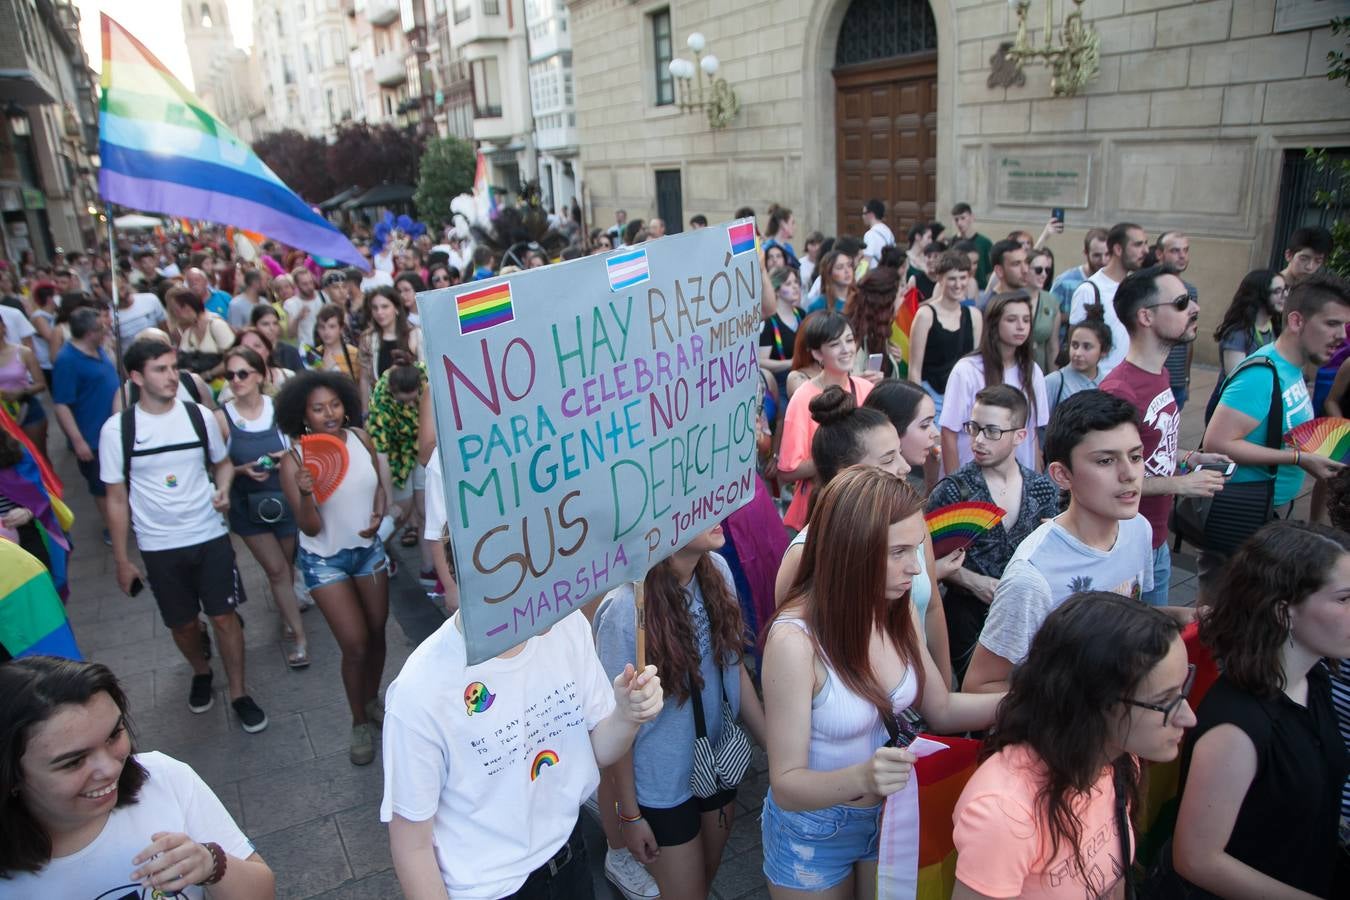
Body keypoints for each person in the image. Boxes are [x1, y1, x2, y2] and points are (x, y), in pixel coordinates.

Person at [760, 466, 1002, 898]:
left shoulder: (898, 607)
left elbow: (941, 709)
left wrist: (1033, 699)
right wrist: (865, 777)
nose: (916, 568)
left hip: (891, 814)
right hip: (814, 831)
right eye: (899, 552)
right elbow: (787, 784)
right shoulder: (794, 642)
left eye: (918, 548)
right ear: (851, 550)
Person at [381, 606, 664, 900]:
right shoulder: (419, 691)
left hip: (569, 855)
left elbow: (593, 750)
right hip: (489, 889)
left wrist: (626, 717)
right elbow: (412, 846)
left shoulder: (567, 623)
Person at [952, 593, 1196, 900]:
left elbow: (1114, 882)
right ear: (1096, 703)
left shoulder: (1119, 760)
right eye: (1165, 700)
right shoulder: (1005, 812)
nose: (1189, 717)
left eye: (1183, 689)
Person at [1158, 521, 1350, 899]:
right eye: (1344, 599)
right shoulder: (1237, 727)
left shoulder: (1314, 679)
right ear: (1284, 612)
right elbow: (1196, 859)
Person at [100, 338, 268, 733]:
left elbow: (222, 464)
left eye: (173, 367)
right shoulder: (118, 430)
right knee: (183, 625)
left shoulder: (199, 417)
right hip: (159, 546)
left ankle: (239, 693)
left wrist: (224, 487)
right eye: (160, 369)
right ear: (137, 377)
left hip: (209, 535)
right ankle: (201, 669)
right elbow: (116, 498)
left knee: (225, 617)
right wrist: (123, 561)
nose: (172, 376)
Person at [0, 657, 276, 897]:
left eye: (114, 735)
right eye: (74, 761)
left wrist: (212, 864)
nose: (110, 769)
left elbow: (262, 892)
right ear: (10, 775)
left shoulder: (162, 776)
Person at [596, 526, 767, 900]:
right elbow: (612, 725)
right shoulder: (625, 610)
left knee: (701, 885)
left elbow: (734, 665)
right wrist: (630, 815)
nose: (716, 512)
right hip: (660, 786)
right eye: (695, 501)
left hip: (717, 764)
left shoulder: (717, 570)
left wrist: (774, 745)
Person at [963, 390, 1164, 695]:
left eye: (1136, 456)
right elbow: (980, 686)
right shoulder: (1031, 578)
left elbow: (1134, 614)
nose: (1129, 474)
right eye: (1106, 460)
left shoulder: (1138, 528)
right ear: (1061, 474)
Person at [774, 386, 958, 684]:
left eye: (899, 452)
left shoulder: (912, 521)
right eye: (887, 460)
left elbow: (933, 606)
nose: (904, 467)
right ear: (845, 472)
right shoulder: (804, 553)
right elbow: (791, 646)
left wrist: (943, 682)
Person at [276, 371, 391, 765]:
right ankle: (358, 720)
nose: (329, 414)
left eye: (335, 404)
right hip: (324, 561)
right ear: (303, 415)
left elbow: (376, 485)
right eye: (318, 408)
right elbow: (308, 526)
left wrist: (379, 512)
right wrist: (308, 493)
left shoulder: (361, 438)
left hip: (368, 550)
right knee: (355, 645)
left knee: (377, 634)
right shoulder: (294, 461)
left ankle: (372, 700)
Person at [1101, 265, 1230, 606]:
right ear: (1145, 316)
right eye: (1181, 302)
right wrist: (1180, 484)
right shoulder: (1120, 390)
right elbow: (1105, 480)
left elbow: (1148, 444)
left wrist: (1188, 457)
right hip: (1126, 546)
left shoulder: (1157, 374)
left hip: (1157, 540)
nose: (1195, 308)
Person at [1203, 271, 1350, 556]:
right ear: (1296, 321)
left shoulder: (1292, 368)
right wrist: (1299, 458)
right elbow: (1216, 444)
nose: (1341, 337)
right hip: (1241, 513)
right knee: (1223, 599)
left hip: (1269, 509)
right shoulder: (1262, 373)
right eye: (1332, 324)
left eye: (1346, 326)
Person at [927, 385, 1060, 684]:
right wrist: (974, 582)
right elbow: (925, 561)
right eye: (974, 428)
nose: (978, 440)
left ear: (1020, 436)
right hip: (964, 619)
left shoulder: (1043, 490)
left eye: (992, 431)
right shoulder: (952, 491)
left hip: (1026, 618)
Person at [215, 346, 308, 669]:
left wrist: (285, 458)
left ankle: (288, 613)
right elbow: (218, 464)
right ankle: (299, 636)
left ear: (259, 375)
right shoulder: (222, 418)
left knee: (288, 562)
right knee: (277, 570)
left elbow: (300, 447)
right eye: (230, 375)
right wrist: (241, 471)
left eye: (243, 373)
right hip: (247, 508)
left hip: (284, 501)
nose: (236, 380)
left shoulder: (278, 408)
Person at [776, 311, 876, 532]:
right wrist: (840, 456)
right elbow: (787, 470)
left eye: (849, 340)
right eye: (835, 344)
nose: (846, 349)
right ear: (817, 354)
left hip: (864, 504)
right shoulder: (803, 397)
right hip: (820, 511)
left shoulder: (866, 389)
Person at [938, 290, 1048, 475]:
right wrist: (955, 487)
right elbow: (949, 433)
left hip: (1019, 479)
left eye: (1026, 320)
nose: (1021, 326)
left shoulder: (1033, 371)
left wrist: (1036, 483)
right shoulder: (967, 370)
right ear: (994, 323)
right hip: (973, 479)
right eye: (1012, 319)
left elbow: (1032, 433)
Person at [50, 308, 120, 540]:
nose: (106, 330)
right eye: (102, 328)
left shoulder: (98, 349)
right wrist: (78, 441)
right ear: (90, 333)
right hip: (92, 437)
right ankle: (112, 528)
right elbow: (61, 405)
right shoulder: (67, 360)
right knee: (101, 487)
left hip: (113, 429)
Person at [909, 249, 982, 427]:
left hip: (965, 398)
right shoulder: (925, 315)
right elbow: (914, 370)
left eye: (963, 278)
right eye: (952, 278)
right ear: (940, 279)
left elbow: (976, 365)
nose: (958, 284)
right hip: (932, 397)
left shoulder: (974, 315)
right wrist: (922, 413)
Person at [1203, 269, 1285, 422]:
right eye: (1277, 291)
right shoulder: (1238, 333)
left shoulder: (1275, 326)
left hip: (1259, 406)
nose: (1284, 296)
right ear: (1260, 295)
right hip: (1231, 411)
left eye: (1285, 290)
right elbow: (1238, 380)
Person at [1069, 222, 1148, 375]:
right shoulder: (1089, 290)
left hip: (1128, 382)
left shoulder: (1135, 287)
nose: (1145, 251)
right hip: (1100, 386)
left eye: (1145, 244)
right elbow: (1076, 346)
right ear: (1118, 249)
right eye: (1138, 245)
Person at [1044, 303, 1111, 422]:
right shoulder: (1054, 382)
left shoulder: (1108, 384)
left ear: (1104, 351)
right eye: (1074, 345)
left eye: (1087, 347)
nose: (1078, 353)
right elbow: (1041, 426)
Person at [360, 286, 424, 404]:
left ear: (396, 308)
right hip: (381, 407)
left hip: (413, 407)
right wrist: (365, 413)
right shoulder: (368, 338)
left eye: (385, 307)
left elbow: (425, 374)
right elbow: (364, 378)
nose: (379, 312)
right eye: (375, 308)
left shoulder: (415, 334)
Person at [1154, 231, 1196, 409]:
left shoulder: (1190, 290)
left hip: (1177, 380)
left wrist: (1186, 377)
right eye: (1175, 251)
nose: (1182, 256)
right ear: (1159, 254)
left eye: (1185, 250)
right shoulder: (1149, 287)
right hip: (1153, 375)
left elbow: (1190, 337)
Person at [1050, 227, 1109, 348]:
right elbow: (1047, 316)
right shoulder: (1065, 281)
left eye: (1107, 254)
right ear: (1085, 254)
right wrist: (1072, 316)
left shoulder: (1116, 282)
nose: (1103, 260)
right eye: (1097, 255)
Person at [166, 285, 234, 384]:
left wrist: (208, 374)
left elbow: (232, 358)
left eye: (175, 310)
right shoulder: (188, 332)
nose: (175, 315)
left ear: (187, 307)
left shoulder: (216, 325)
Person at [0, 315, 47, 455]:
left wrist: (21, 392)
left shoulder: (23, 352)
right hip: (3, 417)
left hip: (27, 410)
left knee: (38, 457)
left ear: (4, 327)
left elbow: (41, 384)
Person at [759, 267, 805, 399]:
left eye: (796, 282)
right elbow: (760, 362)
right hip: (781, 386)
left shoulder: (801, 314)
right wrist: (789, 363)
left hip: (803, 380)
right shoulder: (769, 322)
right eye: (788, 284)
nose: (795, 287)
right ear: (777, 290)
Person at [1026, 245, 1060, 372]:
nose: (1044, 274)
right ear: (1025, 270)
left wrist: (1054, 379)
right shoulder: (1011, 298)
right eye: (1039, 270)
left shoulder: (1051, 301)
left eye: (1047, 270)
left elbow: (1053, 348)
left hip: (1040, 369)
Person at [249, 302, 305, 372]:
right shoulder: (248, 353)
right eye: (265, 324)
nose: (272, 328)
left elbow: (303, 378)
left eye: (275, 323)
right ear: (254, 326)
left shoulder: (290, 352)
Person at [951, 201, 994, 290]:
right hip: (958, 288)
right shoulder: (952, 242)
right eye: (956, 219)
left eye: (963, 218)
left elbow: (990, 271)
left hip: (980, 288)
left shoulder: (985, 243)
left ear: (971, 217)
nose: (959, 223)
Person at [26, 280, 61, 387]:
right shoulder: (39, 317)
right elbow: (51, 338)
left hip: (57, 361)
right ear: (50, 299)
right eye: (56, 295)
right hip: (47, 365)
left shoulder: (55, 314)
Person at [283, 266, 323, 349]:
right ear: (296, 285)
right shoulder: (291, 304)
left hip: (326, 346)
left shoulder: (323, 296)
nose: (310, 287)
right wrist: (298, 318)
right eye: (305, 284)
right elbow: (291, 334)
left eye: (311, 282)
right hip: (308, 350)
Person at [804, 249, 853, 315]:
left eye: (849, 265)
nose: (847, 271)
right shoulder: (819, 306)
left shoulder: (861, 299)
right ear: (828, 273)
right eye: (840, 267)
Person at [860, 198, 894, 267]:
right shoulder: (888, 232)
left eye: (864, 213)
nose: (862, 216)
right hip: (888, 274)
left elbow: (866, 261)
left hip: (875, 275)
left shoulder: (870, 235)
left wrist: (857, 276)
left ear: (871, 214)